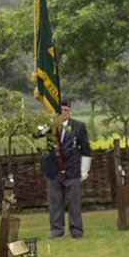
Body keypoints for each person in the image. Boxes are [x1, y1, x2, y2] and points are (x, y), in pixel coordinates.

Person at [40, 100, 91, 238]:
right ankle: (56, 230)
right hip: (54, 170)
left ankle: (76, 231)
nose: (63, 113)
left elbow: (86, 149)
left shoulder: (79, 126)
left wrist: (84, 171)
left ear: (70, 111)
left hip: (72, 168)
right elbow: (37, 133)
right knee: (55, 202)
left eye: (66, 110)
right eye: (60, 110)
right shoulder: (51, 126)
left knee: (74, 203)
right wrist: (51, 121)